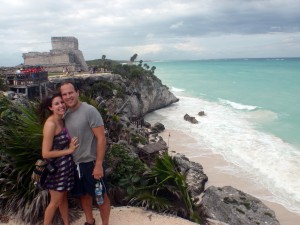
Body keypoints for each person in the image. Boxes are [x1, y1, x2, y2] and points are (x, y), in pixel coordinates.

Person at [60, 81, 111, 225]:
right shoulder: (66, 115)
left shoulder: (90, 111)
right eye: (65, 94)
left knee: (101, 196)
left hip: (92, 162)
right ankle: (90, 221)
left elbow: (101, 138)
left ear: (77, 92)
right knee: (84, 195)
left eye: (71, 92)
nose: (68, 96)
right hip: (76, 163)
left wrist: (99, 164)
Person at [39, 93, 79, 225]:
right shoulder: (50, 124)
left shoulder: (62, 120)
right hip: (56, 171)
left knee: (63, 199)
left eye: (62, 102)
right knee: (55, 202)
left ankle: (66, 223)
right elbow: (45, 153)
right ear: (51, 107)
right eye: (56, 104)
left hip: (65, 168)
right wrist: (69, 150)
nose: (61, 105)